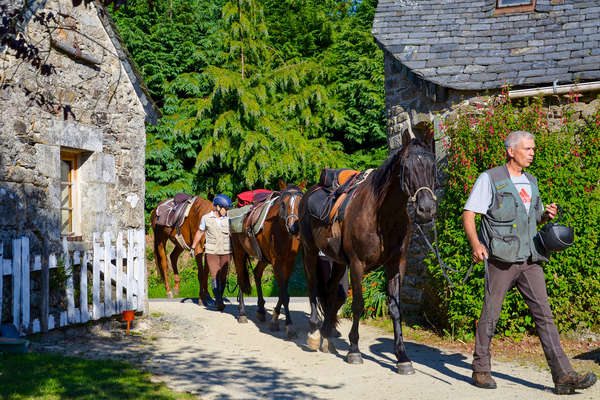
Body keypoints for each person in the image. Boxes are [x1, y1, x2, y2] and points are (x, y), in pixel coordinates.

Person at [462, 130, 596, 394]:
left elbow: (531, 220)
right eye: (528, 149)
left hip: (530, 257)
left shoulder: (532, 181)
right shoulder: (490, 179)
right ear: (511, 151)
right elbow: (469, 214)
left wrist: (545, 215)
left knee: (544, 315)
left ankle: (563, 376)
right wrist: (476, 245)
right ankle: (480, 370)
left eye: (533, 149)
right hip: (500, 258)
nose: (533, 153)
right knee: (491, 314)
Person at [191, 194, 232, 311]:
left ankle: (218, 297)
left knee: (223, 276)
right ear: (218, 207)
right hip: (211, 251)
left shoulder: (228, 218)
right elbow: (200, 232)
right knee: (214, 274)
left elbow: (232, 234)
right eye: (225, 208)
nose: (226, 211)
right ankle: (219, 301)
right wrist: (193, 247)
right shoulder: (206, 218)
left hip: (225, 251)